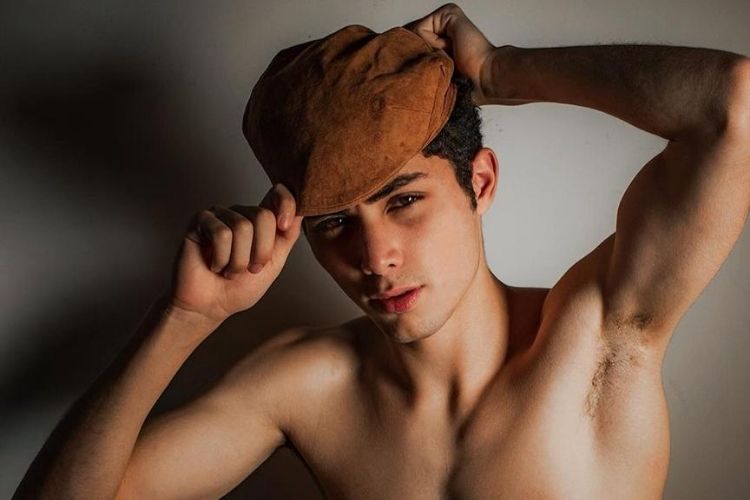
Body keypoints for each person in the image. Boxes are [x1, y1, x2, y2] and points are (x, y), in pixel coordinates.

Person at [15, 3, 750, 499]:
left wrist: (500, 72)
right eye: (334, 222)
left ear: (480, 182)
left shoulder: (600, 338)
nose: (374, 256)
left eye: (403, 201)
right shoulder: (308, 386)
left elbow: (733, 106)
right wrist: (184, 317)